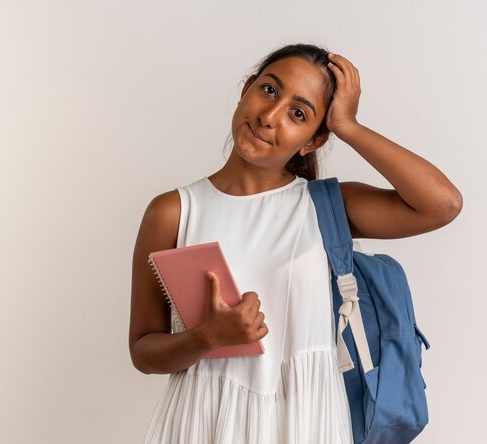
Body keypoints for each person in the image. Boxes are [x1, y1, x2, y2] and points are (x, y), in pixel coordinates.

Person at [129, 43, 462, 444]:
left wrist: (349, 126)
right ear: (246, 89)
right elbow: (143, 350)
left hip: (307, 422)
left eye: (298, 113)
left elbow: (442, 204)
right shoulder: (174, 212)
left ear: (313, 140)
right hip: (204, 422)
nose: (270, 117)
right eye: (269, 90)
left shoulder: (325, 207)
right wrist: (206, 338)